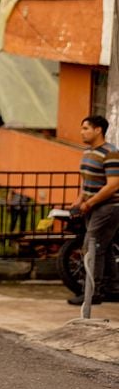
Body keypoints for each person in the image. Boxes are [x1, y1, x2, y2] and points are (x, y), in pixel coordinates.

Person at [67, 115, 119, 305]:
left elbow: (113, 185)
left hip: (107, 207)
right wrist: (80, 200)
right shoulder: (88, 152)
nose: (82, 132)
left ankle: (93, 292)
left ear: (98, 130)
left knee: (92, 247)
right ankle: (113, 288)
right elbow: (86, 180)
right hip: (93, 207)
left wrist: (90, 202)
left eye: (86, 128)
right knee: (104, 249)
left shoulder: (111, 153)